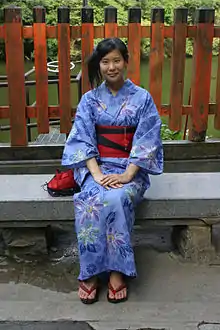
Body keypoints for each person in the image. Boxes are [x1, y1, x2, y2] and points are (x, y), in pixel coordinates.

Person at [62, 37, 163, 304]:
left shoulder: (142, 99)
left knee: (118, 198)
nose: (111, 67)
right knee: (91, 199)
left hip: (129, 168)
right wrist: (96, 176)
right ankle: (91, 272)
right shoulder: (89, 100)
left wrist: (127, 175)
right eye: (105, 62)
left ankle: (118, 271)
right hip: (97, 167)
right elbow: (82, 139)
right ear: (99, 65)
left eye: (117, 60)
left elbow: (147, 140)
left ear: (126, 62)